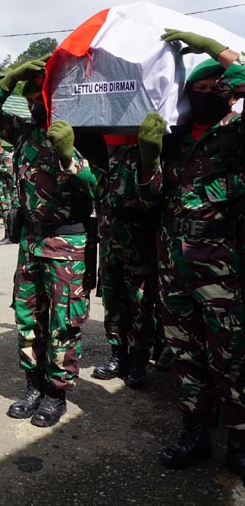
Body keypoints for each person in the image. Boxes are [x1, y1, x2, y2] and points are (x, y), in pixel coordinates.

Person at [136, 29, 245, 475]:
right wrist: (148, 161)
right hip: (173, 266)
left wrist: (216, 50)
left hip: (222, 266)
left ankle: (239, 439)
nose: (207, 93)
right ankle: (194, 432)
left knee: (231, 353)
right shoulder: (175, 138)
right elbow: (150, 200)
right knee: (184, 352)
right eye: (198, 87)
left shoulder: (235, 131)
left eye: (215, 86)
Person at [0, 57, 97, 427]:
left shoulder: (84, 132)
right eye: (28, 100)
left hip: (67, 241)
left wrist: (69, 156)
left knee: (63, 321)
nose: (33, 105)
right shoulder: (24, 133)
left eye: (39, 98)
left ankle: (56, 394)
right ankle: (33, 385)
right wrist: (8, 79)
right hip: (31, 240)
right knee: (28, 317)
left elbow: (99, 187)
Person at [91, 134, 158, 389]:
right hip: (109, 240)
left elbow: (152, 196)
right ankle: (117, 356)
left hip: (137, 242)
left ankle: (139, 362)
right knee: (112, 301)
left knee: (140, 303)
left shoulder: (142, 146)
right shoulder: (102, 147)